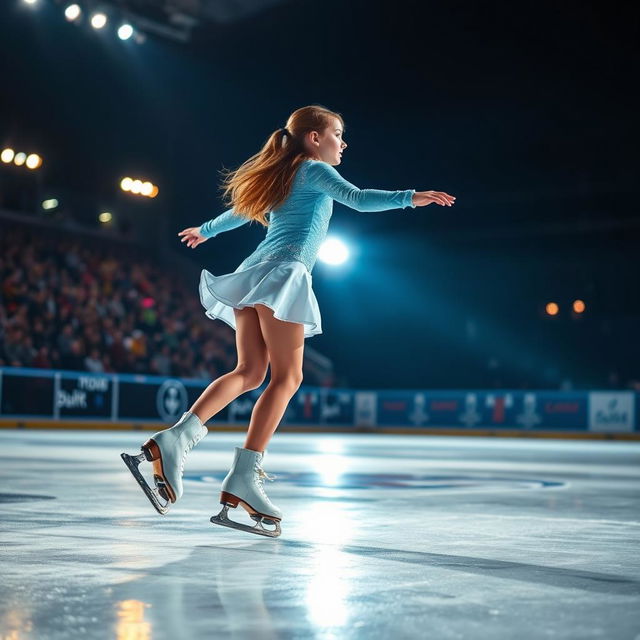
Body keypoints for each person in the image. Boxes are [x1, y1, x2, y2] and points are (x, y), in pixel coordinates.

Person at [121, 105, 456, 537]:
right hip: (283, 273)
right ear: (314, 138)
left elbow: (241, 211)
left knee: (249, 372)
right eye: (338, 134)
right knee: (288, 377)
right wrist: (410, 196)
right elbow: (357, 198)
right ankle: (243, 475)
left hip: (252, 273)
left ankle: (175, 439)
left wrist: (206, 229)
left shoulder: (282, 173)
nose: (344, 143)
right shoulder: (314, 168)